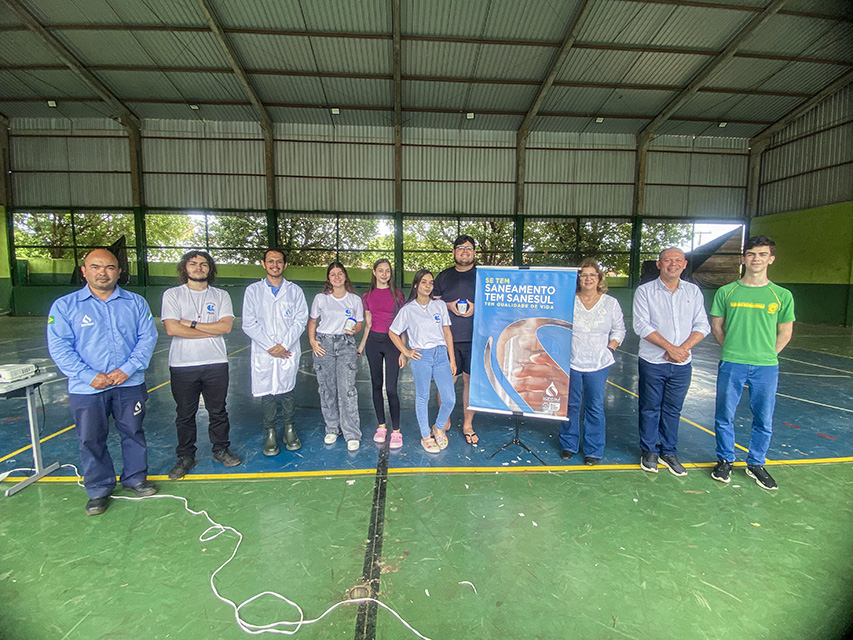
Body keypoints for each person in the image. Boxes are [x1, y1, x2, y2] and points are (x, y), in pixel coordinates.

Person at [47, 249, 158, 515]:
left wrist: (127, 369)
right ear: (84, 271)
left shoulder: (135, 303)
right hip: (87, 388)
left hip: (128, 384)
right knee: (91, 438)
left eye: (109, 267)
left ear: (118, 272)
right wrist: (88, 375)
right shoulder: (65, 306)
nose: (103, 273)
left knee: (133, 432)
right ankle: (98, 489)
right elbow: (60, 346)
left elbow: (147, 338)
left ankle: (135, 478)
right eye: (95, 267)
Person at [709, 235, 794, 490]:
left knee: (764, 417)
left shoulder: (781, 295)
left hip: (766, 366)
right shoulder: (727, 292)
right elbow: (717, 327)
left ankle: (756, 463)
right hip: (732, 362)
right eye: (751, 254)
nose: (757, 259)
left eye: (762, 254)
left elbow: (785, 332)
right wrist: (733, 350)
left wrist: (768, 354)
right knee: (724, 414)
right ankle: (725, 459)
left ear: (771, 259)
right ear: (743, 258)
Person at [161, 250, 241, 480]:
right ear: (184, 268)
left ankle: (220, 450)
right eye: (193, 263)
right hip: (183, 364)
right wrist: (209, 330)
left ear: (210, 268)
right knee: (185, 413)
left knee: (218, 410)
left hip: (216, 362)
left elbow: (225, 327)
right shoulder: (173, 295)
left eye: (204, 264)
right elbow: (172, 328)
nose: (198, 267)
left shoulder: (221, 295)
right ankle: (185, 456)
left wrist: (192, 324)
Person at [633, 247, 710, 476]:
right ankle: (649, 451)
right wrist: (670, 348)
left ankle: (668, 452)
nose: (673, 264)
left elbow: (702, 325)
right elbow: (641, 325)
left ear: (684, 264)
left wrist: (681, 350)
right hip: (652, 362)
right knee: (649, 408)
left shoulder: (693, 292)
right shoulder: (645, 291)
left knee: (673, 409)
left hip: (681, 364)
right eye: (667, 260)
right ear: (659, 264)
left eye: (678, 260)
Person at [558, 259, 626, 465]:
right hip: (571, 361)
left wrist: (610, 348)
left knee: (595, 406)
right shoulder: (569, 300)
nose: (588, 278)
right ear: (578, 278)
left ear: (599, 278)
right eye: (583, 275)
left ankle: (593, 450)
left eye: (592, 275)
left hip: (598, 363)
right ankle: (569, 444)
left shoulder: (611, 303)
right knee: (571, 405)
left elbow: (619, 330)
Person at [242, 249, 309, 456]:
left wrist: (284, 345)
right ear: (263, 264)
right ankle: (270, 432)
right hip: (265, 351)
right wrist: (270, 347)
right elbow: (248, 323)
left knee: (287, 390)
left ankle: (289, 429)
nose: (275, 265)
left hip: (287, 350)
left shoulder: (294, 291)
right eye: (270, 261)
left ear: (285, 265)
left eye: (279, 261)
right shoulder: (253, 291)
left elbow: (300, 320)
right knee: (267, 392)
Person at [389, 269, 457, 454]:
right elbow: (393, 332)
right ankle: (426, 436)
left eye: (431, 283)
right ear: (416, 285)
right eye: (424, 282)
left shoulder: (439, 305)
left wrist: (452, 359)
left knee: (449, 398)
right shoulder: (408, 310)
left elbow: (447, 333)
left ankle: (438, 427)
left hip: (441, 355)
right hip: (422, 356)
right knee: (422, 397)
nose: (428, 286)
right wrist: (406, 351)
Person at [308, 262, 364, 451]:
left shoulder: (354, 300)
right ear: (328, 278)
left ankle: (352, 433)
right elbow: (313, 321)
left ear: (345, 276)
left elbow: (359, 324)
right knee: (327, 388)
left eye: (340, 273)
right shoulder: (321, 298)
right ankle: (332, 428)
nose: (337, 277)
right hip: (324, 344)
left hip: (345, 345)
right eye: (333, 274)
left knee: (347, 389)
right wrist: (312, 341)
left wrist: (354, 329)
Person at [432, 235, 478, 445]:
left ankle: (468, 424)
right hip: (446, 339)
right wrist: (448, 305)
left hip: (475, 339)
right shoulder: (443, 276)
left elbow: (495, 302)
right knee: (447, 381)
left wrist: (477, 307)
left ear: (474, 252)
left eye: (469, 248)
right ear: (453, 252)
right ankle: (445, 421)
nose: (465, 251)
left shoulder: (483, 276)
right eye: (460, 248)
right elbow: (432, 304)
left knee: (470, 381)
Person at [357, 259, 407, 449]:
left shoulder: (398, 295)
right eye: (380, 270)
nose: (384, 274)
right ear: (374, 272)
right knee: (376, 385)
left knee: (392, 389)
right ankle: (381, 427)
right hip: (373, 343)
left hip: (392, 344)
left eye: (387, 271)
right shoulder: (367, 296)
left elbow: (403, 325)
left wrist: (403, 350)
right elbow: (368, 324)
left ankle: (396, 431)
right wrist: (361, 345)